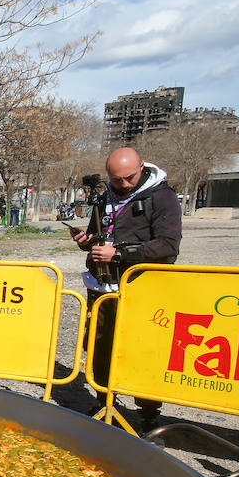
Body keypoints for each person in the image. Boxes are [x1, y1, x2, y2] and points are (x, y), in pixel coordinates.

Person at [70, 146, 181, 429]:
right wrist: (87, 240)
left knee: (142, 351)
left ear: (142, 166)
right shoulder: (105, 195)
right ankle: (104, 401)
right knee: (99, 346)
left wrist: (118, 253)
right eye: (117, 180)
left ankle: (148, 414)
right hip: (102, 286)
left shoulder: (162, 196)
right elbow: (99, 234)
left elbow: (168, 245)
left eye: (129, 178)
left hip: (142, 288)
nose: (124, 185)